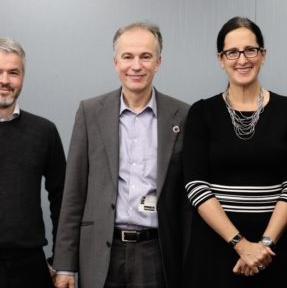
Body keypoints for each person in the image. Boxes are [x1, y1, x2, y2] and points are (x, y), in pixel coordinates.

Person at [53, 22, 189, 288]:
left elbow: (187, 202)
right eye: (127, 57)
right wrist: (65, 266)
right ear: (116, 63)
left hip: (158, 254)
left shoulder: (182, 115)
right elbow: (73, 193)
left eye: (145, 56)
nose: (136, 66)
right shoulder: (90, 112)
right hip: (102, 253)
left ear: (158, 62)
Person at [182, 16, 287, 287]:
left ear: (263, 55)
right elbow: (195, 185)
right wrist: (240, 244)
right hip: (214, 248)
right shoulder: (201, 113)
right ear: (220, 59)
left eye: (250, 50)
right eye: (232, 52)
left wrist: (263, 246)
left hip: (272, 251)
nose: (242, 59)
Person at [0, 38, 66, 288]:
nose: (4, 80)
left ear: (22, 77)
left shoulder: (44, 132)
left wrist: (60, 261)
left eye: (13, 72)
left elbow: (62, 199)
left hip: (31, 268)